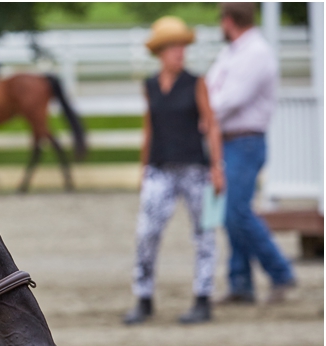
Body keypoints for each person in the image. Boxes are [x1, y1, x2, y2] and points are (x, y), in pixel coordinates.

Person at [123, 16, 224, 325]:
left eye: (182, 47)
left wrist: (217, 167)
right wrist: (144, 168)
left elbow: (211, 126)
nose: (180, 52)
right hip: (160, 168)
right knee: (146, 233)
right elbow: (149, 129)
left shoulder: (197, 84)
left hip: (196, 169)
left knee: (205, 233)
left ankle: (203, 297)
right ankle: (143, 297)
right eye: (173, 47)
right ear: (161, 52)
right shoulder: (150, 86)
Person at [206, 2, 296, 305]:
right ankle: (240, 281)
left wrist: (202, 111)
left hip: (245, 141)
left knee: (238, 212)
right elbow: (210, 87)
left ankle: (280, 271)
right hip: (231, 141)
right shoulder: (235, 52)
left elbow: (228, 98)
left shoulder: (255, 53)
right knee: (232, 213)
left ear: (229, 20)